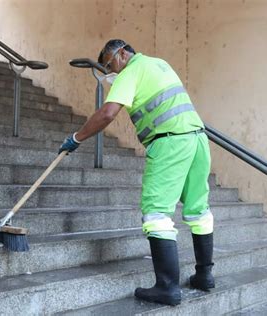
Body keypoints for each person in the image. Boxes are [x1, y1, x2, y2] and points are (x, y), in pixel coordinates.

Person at [58, 39, 215, 306]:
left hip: (170, 142)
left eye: (110, 65)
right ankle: (204, 276)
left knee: (156, 213)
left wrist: (77, 137)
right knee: (198, 211)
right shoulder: (159, 63)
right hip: (197, 139)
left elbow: (108, 113)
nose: (111, 73)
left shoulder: (131, 70)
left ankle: (167, 288)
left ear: (121, 54)